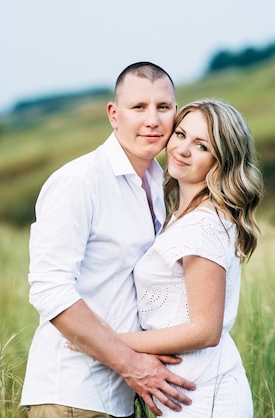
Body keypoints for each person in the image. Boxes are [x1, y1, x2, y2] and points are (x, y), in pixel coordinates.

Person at [20, 62, 196, 418]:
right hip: (71, 395)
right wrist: (132, 364)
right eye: (138, 107)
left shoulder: (160, 183)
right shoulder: (79, 181)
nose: (153, 120)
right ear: (114, 115)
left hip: (120, 397)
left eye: (163, 107)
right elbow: (49, 290)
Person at [103, 99, 263, 417]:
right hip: (186, 391)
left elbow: (205, 330)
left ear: (222, 161)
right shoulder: (182, 215)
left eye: (202, 145)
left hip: (205, 397)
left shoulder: (203, 224)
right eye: (180, 134)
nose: (183, 149)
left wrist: (110, 343)